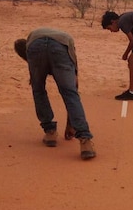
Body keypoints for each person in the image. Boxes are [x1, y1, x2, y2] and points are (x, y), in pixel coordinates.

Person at [14, 28, 96, 160]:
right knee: (70, 93)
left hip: (37, 46)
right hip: (61, 46)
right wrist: (70, 125)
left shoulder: (31, 44)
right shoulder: (66, 39)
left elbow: (36, 82)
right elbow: (74, 86)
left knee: (38, 89)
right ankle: (85, 141)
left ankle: (50, 132)